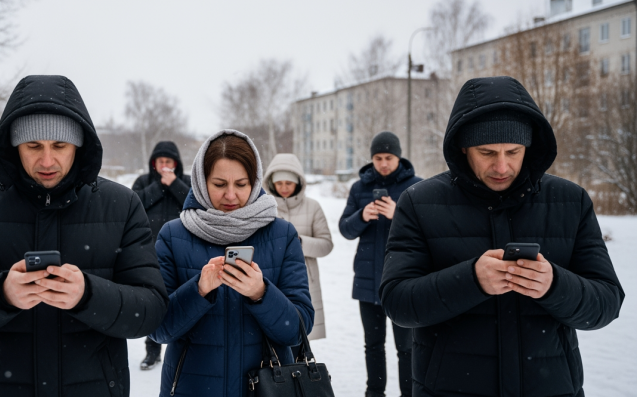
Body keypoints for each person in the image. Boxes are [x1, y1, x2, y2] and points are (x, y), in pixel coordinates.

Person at [0, 75, 169, 397]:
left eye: (60, 146)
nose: (47, 161)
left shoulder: (120, 205)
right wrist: (1, 295)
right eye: (33, 146)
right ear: (13, 146)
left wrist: (89, 295)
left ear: (79, 146)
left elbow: (150, 311)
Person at [380, 76, 625, 397]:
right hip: (450, 390)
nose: (502, 165)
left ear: (529, 146)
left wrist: (554, 285)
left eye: (513, 151)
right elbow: (398, 303)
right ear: (464, 147)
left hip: (551, 389)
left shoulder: (570, 201)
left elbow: (606, 303)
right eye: (487, 152)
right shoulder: (419, 202)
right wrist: (470, 280)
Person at [150, 130, 314, 397]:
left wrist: (261, 293)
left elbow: (298, 329)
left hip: (267, 388)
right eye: (219, 184)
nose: (231, 195)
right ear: (201, 182)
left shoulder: (282, 235)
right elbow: (158, 329)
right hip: (191, 389)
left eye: (241, 184)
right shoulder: (172, 235)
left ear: (255, 181)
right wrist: (199, 290)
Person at [339, 131, 421, 397]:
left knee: (407, 347)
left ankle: (409, 394)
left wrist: (398, 214)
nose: (383, 163)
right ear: (371, 158)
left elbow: (426, 231)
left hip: (404, 280)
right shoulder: (359, 188)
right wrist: (362, 215)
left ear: (398, 156)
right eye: (378, 157)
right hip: (368, 280)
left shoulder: (415, 186)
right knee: (373, 345)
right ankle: (374, 393)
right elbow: (345, 229)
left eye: (389, 157)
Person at [131, 141, 191, 370]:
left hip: (182, 251)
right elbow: (134, 205)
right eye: (160, 162)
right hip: (150, 250)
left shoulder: (185, 182)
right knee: (154, 302)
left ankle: (183, 352)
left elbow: (195, 203)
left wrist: (174, 184)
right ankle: (152, 351)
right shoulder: (144, 182)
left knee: (183, 303)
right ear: (153, 163)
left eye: (169, 162)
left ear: (176, 163)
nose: (164, 166)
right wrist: (160, 186)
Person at [263, 153, 332, 352]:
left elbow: (326, 244)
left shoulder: (313, 207)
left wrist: (299, 242)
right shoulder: (263, 207)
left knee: (299, 338)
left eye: (289, 182)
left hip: (304, 282)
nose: (284, 187)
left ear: (299, 182)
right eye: (279, 182)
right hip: (271, 279)